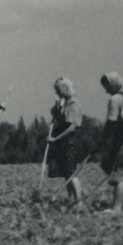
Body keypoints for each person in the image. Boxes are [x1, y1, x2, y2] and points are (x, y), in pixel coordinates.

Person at [95, 72, 123, 213]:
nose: (107, 91)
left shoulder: (116, 99)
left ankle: (117, 208)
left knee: (120, 174)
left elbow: (112, 122)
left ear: (113, 83)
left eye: (107, 87)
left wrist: (103, 140)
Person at [45, 77, 83, 205]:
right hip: (64, 142)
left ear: (64, 89)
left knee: (71, 173)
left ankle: (79, 202)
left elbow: (71, 127)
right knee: (67, 173)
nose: (57, 93)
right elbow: (56, 116)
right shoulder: (64, 104)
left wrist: (55, 139)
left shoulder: (73, 105)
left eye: (58, 90)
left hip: (70, 142)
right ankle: (71, 200)